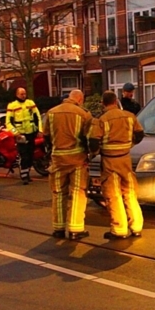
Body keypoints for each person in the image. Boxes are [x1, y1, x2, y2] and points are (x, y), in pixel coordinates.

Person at [89, 91, 145, 240]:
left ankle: (119, 229)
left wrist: (94, 153)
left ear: (103, 103)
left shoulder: (101, 120)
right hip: (126, 160)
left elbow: (93, 142)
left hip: (110, 162)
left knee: (113, 195)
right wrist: (129, 145)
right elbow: (140, 134)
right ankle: (137, 226)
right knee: (130, 193)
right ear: (116, 101)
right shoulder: (130, 116)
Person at [42, 90, 93, 241]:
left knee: (58, 193)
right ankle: (76, 229)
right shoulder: (84, 114)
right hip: (77, 160)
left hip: (58, 159)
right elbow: (88, 138)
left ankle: (58, 228)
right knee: (78, 192)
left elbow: (46, 136)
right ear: (80, 99)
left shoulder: (51, 113)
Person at [6, 86, 42, 185]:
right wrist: (15, 132)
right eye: (21, 94)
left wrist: (40, 130)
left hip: (31, 132)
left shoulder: (31, 103)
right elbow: (8, 122)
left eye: (24, 94)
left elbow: (38, 117)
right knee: (24, 155)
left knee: (30, 154)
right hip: (20, 134)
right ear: (17, 95)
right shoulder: (12, 106)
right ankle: (24, 175)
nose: (23, 96)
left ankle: (27, 173)